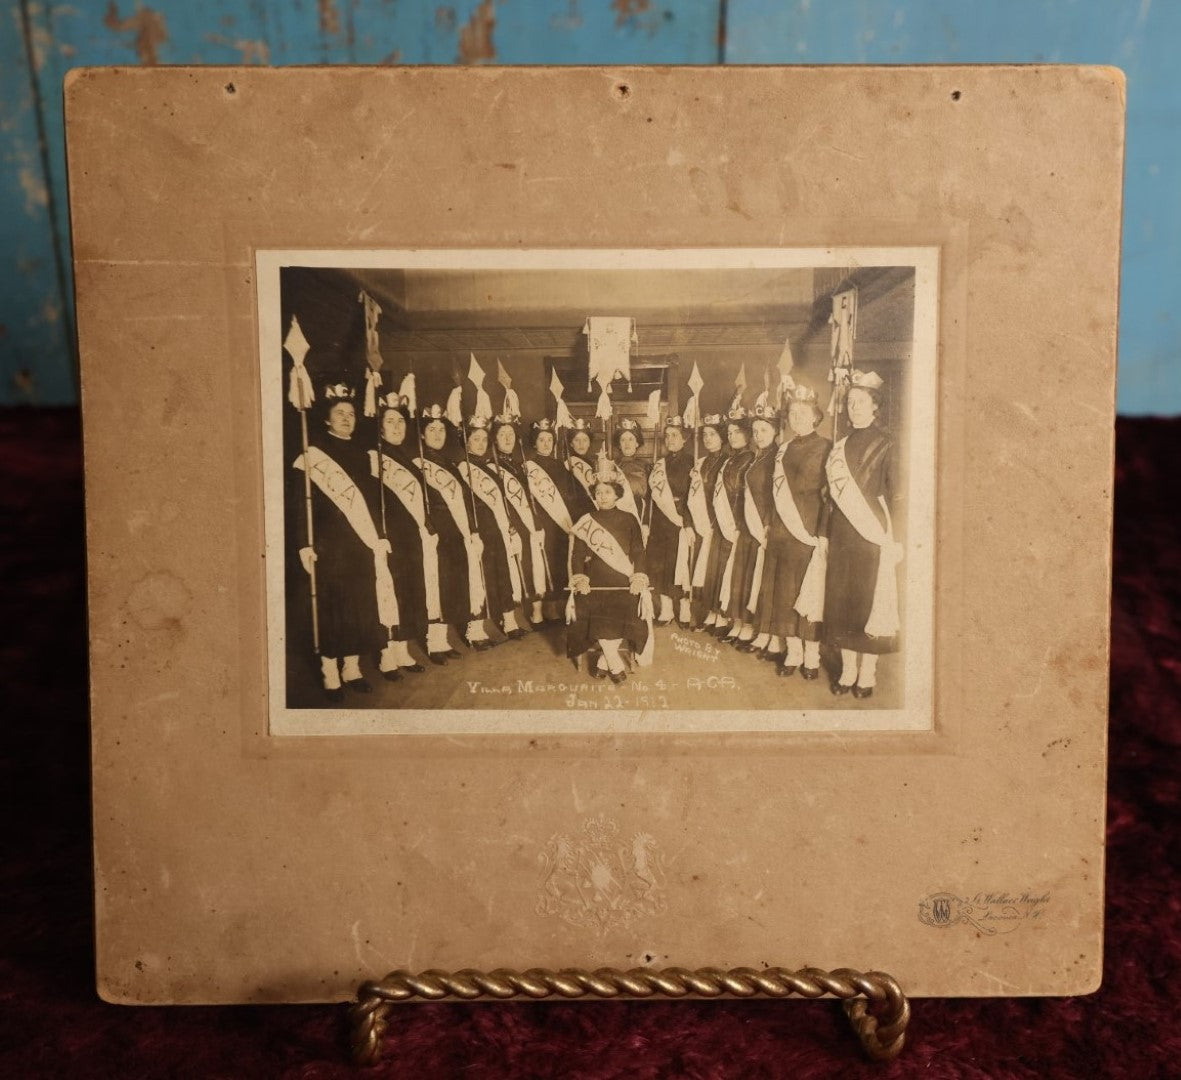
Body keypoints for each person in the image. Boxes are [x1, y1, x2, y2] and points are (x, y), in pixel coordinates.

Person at [293, 384, 395, 701]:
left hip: (361, 543)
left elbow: (376, 502)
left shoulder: (365, 455)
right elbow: (299, 505)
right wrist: (304, 544)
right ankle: (329, 672)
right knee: (334, 609)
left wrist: (380, 535)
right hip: (329, 546)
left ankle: (352, 669)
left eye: (351, 414)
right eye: (340, 413)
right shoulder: (312, 456)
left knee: (361, 605)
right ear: (326, 419)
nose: (347, 419)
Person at [822, 371, 902, 699]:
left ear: (875, 406)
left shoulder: (887, 444)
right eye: (850, 402)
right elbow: (828, 497)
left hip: (871, 534)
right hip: (842, 535)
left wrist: (898, 540)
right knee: (842, 604)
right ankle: (848, 670)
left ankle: (867, 673)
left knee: (868, 603)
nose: (853, 408)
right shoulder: (839, 447)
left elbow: (898, 495)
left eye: (860, 402)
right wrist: (825, 535)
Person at [759, 384, 831, 678]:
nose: (798, 418)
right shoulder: (783, 450)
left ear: (815, 416)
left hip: (809, 529)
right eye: (793, 413)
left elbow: (831, 497)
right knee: (784, 593)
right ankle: (793, 652)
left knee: (810, 591)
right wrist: (767, 522)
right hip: (781, 531)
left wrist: (824, 533)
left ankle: (811, 656)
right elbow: (769, 492)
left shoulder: (827, 448)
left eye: (804, 413)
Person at [416, 405, 491, 659]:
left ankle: (454, 636)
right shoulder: (416, 463)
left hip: (456, 528)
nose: (437, 434)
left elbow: (464, 500)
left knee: (456, 582)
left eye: (441, 429)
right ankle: (435, 641)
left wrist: (472, 529)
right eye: (431, 429)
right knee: (436, 583)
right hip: (434, 529)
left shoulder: (448, 463)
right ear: (422, 434)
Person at [370, 394, 436, 679]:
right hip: (387, 536)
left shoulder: (408, 459)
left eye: (400, 421)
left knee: (409, 590)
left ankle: (402, 648)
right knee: (387, 592)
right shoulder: (373, 458)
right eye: (390, 421)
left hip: (411, 536)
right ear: (380, 426)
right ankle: (386, 654)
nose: (397, 427)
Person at [566, 472, 653, 684]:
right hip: (595, 580)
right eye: (598, 492)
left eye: (607, 492)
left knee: (628, 606)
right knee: (593, 608)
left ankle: (604, 662)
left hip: (623, 579)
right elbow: (577, 555)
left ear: (617, 494)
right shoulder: (586, 521)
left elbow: (639, 552)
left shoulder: (629, 519)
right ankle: (614, 663)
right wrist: (580, 578)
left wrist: (639, 577)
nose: (602, 496)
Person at [459, 416, 525, 640]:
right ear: (466, 442)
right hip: (479, 528)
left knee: (503, 572)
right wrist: (471, 529)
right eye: (475, 439)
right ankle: (475, 630)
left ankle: (509, 620)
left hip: (497, 526)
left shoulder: (489, 467)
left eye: (484, 439)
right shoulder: (462, 468)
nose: (480, 444)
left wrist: (509, 524)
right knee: (480, 576)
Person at [490, 415, 549, 626]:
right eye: (502, 434)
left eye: (511, 434)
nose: (507, 438)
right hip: (509, 524)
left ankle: (537, 613)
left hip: (527, 521)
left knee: (535, 560)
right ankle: (510, 619)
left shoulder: (519, 466)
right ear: (494, 439)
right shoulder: (490, 467)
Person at [730, 403, 780, 652]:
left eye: (765, 430)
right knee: (747, 577)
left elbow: (777, 497)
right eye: (756, 430)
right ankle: (748, 625)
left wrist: (769, 524)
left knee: (764, 579)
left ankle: (765, 631)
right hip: (749, 526)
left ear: (776, 432)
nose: (759, 435)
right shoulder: (757, 457)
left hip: (765, 526)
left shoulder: (777, 458)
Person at [524, 419, 578, 622]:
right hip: (543, 521)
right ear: (534, 443)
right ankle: (540, 610)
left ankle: (557, 607)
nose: (546, 444)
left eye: (549, 440)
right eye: (541, 440)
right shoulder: (529, 467)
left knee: (560, 563)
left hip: (563, 522)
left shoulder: (561, 465)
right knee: (543, 563)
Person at [705, 409, 753, 640]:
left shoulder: (749, 459)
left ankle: (736, 619)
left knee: (736, 573)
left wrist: (736, 524)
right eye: (730, 432)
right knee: (721, 568)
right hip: (724, 521)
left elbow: (744, 497)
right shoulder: (731, 459)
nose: (733, 437)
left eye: (738, 432)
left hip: (739, 522)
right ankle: (721, 613)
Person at [646, 416, 696, 625]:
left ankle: (684, 607)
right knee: (661, 565)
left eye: (675, 435)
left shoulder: (692, 463)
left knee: (680, 562)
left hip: (681, 516)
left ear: (685, 438)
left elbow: (694, 498)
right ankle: (666, 609)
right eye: (667, 436)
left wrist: (688, 523)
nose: (670, 439)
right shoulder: (660, 464)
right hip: (661, 519)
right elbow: (652, 497)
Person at [686, 414, 729, 631]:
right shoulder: (701, 463)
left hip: (720, 523)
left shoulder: (727, 462)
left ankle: (720, 615)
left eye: (713, 434)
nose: (708, 439)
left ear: (722, 437)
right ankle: (708, 613)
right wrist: (688, 524)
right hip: (702, 524)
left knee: (718, 571)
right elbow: (689, 497)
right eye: (705, 435)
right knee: (703, 571)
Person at [613, 417, 649, 527]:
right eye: (623, 440)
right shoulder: (612, 466)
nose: (627, 443)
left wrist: (646, 523)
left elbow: (650, 498)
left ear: (637, 443)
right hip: (617, 514)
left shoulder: (646, 466)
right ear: (619, 444)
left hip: (638, 512)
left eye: (631, 439)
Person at [566, 418, 597, 502]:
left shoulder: (594, 463)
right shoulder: (568, 463)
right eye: (577, 440)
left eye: (585, 440)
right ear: (571, 443)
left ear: (589, 443)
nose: (581, 444)